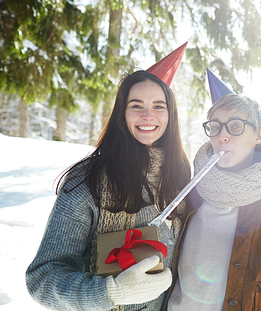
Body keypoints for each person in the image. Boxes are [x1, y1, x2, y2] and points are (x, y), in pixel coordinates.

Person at [26, 45, 192, 311]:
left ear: (170, 115)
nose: (147, 115)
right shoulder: (87, 181)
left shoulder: (181, 179)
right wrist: (111, 292)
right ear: (121, 114)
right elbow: (42, 278)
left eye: (158, 106)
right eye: (135, 105)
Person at [166, 69, 261, 310]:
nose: (223, 136)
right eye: (215, 127)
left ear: (259, 135)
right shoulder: (189, 190)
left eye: (236, 126)